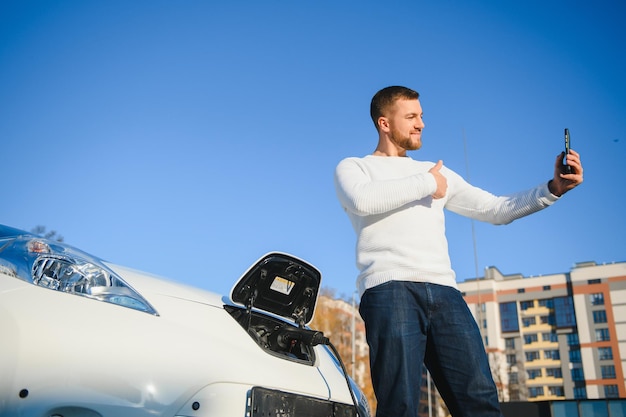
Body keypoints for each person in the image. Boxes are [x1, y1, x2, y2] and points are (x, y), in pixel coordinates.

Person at [333, 86, 583, 417]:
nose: (421, 123)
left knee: (479, 399)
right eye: (411, 117)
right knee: (399, 403)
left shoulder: (437, 173)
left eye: (421, 116)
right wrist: (427, 184)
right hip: (389, 290)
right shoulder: (354, 167)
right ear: (384, 123)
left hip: (446, 294)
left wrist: (552, 190)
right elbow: (362, 201)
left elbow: (495, 209)